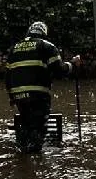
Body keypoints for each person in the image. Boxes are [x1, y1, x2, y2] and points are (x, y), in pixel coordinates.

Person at [5, 21, 79, 154]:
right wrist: (72, 64)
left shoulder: (14, 48)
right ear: (44, 33)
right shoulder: (47, 46)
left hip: (18, 95)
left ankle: (22, 157)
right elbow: (59, 70)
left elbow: (7, 76)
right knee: (38, 129)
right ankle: (34, 160)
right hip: (38, 95)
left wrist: (12, 97)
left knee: (27, 124)